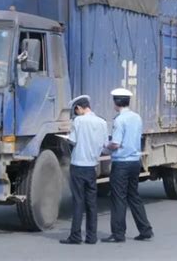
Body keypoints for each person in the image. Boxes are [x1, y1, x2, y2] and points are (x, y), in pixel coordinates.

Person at [101, 88, 154, 243]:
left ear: (117, 102)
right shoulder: (136, 117)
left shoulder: (119, 120)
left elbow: (116, 144)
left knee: (118, 198)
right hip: (134, 162)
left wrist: (105, 146)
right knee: (134, 196)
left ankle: (118, 233)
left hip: (121, 163)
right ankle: (145, 229)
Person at [60, 95, 108, 245]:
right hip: (92, 166)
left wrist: (66, 138)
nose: (76, 113)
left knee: (78, 202)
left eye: (76, 110)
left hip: (78, 165)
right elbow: (105, 145)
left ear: (79, 108)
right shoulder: (102, 122)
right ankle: (91, 236)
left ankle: (75, 236)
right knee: (91, 203)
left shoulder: (78, 121)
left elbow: (73, 140)